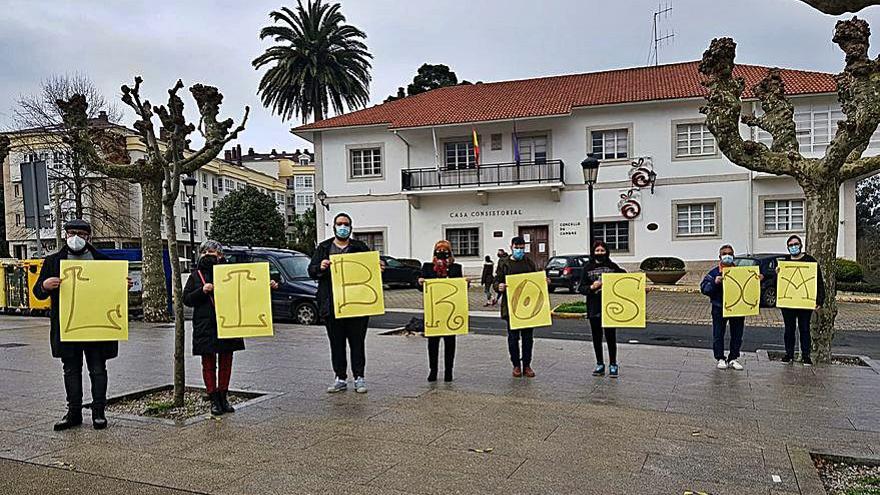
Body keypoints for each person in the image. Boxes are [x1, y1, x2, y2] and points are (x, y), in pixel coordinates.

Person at [33, 219, 131, 431]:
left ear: (89, 237)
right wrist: (45, 285)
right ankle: (73, 413)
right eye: (70, 233)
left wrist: (121, 285)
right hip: (68, 327)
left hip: (96, 328)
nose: (74, 237)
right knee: (71, 370)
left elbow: (113, 293)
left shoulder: (103, 261)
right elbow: (37, 293)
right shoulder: (52, 262)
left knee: (97, 370)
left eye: (79, 233)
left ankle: (98, 413)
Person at [183, 240, 277, 415]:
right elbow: (186, 299)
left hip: (229, 323)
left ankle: (223, 396)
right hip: (206, 324)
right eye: (209, 253)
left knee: (226, 361)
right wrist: (202, 290)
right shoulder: (196, 276)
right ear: (202, 254)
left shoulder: (230, 272)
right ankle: (213, 399)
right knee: (208, 363)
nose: (213, 257)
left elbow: (249, 290)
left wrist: (267, 286)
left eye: (216, 254)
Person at [308, 212, 373, 394]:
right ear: (334, 226)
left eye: (346, 224)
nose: (342, 227)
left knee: (357, 342)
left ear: (350, 227)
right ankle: (340, 377)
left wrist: (379, 267)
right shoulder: (324, 247)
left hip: (356, 304)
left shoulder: (359, 247)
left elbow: (371, 269)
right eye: (339, 224)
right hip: (332, 305)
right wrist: (320, 267)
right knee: (336, 344)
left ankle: (359, 377)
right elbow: (311, 271)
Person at [494, 236, 541, 378]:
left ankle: (527, 364)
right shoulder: (504, 263)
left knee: (528, 338)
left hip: (528, 307)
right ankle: (516, 365)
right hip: (511, 307)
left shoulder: (529, 263)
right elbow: (497, 281)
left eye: (522, 248)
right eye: (517, 247)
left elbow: (536, 280)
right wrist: (499, 287)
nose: (520, 250)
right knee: (513, 338)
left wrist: (544, 282)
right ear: (511, 247)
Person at [579, 241, 626, 377]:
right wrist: (591, 287)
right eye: (597, 250)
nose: (600, 253)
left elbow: (627, 281)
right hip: (594, 308)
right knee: (596, 337)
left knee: (611, 337)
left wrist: (640, 289)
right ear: (593, 252)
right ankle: (599, 363)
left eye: (602, 250)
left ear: (607, 252)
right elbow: (581, 288)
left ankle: (613, 364)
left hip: (610, 308)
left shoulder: (613, 267)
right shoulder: (587, 268)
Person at [417, 240, 463, 382]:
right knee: (433, 343)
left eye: (445, 249)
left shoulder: (456, 268)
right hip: (434, 310)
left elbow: (459, 287)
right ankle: (433, 370)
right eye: (439, 249)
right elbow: (420, 286)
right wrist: (419, 282)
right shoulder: (428, 267)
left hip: (450, 310)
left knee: (450, 343)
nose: (442, 252)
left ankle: (449, 371)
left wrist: (464, 284)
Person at [778, 235, 825, 366]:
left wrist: (819, 301)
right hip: (788, 303)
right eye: (791, 245)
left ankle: (806, 356)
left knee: (804, 329)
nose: (793, 247)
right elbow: (779, 282)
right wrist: (778, 273)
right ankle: (789, 354)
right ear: (788, 247)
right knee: (789, 329)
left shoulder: (810, 261)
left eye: (796, 244)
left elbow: (819, 282)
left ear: (801, 245)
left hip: (805, 302)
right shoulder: (784, 262)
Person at [701, 244, 747, 371]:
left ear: (733, 256)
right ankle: (720, 358)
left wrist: (758, 279)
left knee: (737, 334)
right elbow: (704, 289)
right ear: (720, 256)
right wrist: (714, 283)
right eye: (724, 254)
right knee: (718, 334)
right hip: (719, 307)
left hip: (737, 308)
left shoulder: (741, 272)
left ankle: (733, 358)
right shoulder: (714, 272)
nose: (727, 256)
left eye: (730, 254)